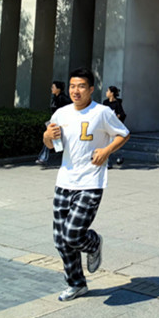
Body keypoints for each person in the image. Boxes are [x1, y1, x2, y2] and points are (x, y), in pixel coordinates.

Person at [43, 67, 130, 301]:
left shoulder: (102, 112)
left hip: (91, 181)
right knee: (60, 240)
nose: (76, 91)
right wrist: (47, 137)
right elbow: (51, 145)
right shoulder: (61, 113)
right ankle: (77, 284)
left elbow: (123, 134)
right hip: (64, 181)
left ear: (91, 89)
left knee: (72, 235)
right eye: (73, 86)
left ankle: (93, 243)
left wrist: (106, 151)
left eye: (81, 86)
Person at [37, 81, 73, 164]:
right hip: (54, 122)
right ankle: (43, 157)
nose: (51, 89)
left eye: (53, 87)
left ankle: (44, 157)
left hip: (62, 123)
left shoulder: (64, 99)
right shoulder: (55, 98)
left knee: (58, 139)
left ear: (58, 89)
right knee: (51, 137)